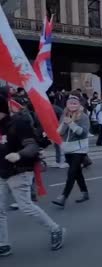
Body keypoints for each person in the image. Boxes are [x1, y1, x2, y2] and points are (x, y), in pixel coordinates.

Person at [0, 89, 65, 256]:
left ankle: (55, 229)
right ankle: (3, 243)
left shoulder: (17, 123)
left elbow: (32, 145)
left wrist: (19, 155)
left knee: (26, 206)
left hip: (19, 171)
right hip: (2, 171)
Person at [52, 93, 91, 207]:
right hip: (67, 148)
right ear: (67, 104)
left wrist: (72, 124)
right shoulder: (64, 116)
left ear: (79, 104)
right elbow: (60, 132)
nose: (72, 105)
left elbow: (82, 133)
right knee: (77, 172)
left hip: (80, 149)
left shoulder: (83, 116)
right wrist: (64, 124)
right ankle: (85, 193)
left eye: (75, 103)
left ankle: (63, 197)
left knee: (71, 173)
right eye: (70, 103)